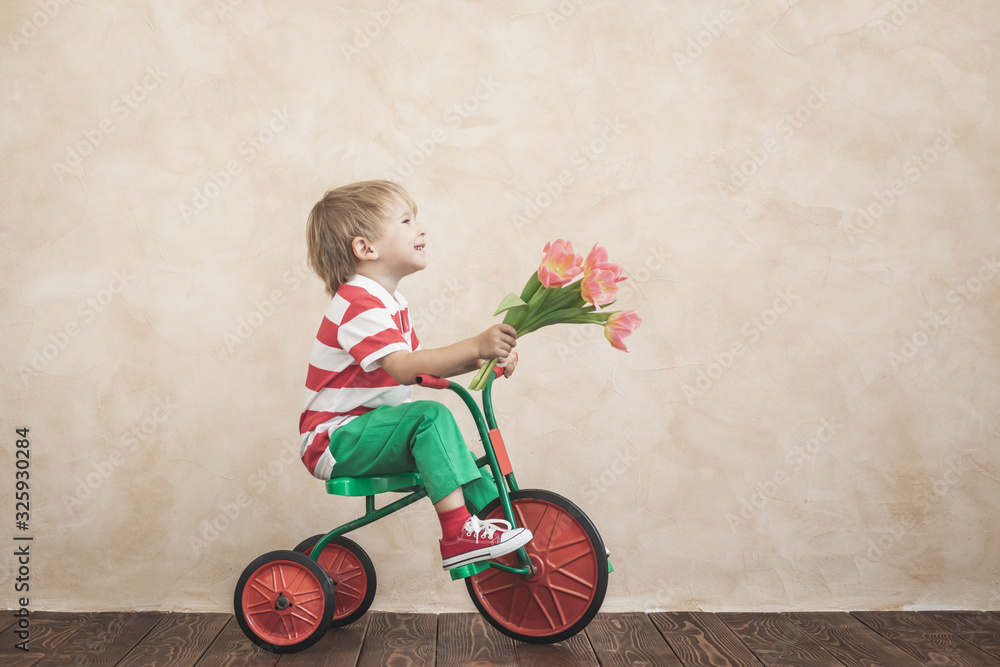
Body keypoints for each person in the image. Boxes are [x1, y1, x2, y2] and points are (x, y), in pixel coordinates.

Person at [299, 180, 530, 571]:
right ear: (365, 248)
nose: (420, 229)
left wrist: (483, 360)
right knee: (429, 416)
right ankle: (459, 533)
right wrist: (475, 345)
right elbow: (404, 368)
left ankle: (527, 537)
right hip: (335, 440)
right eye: (406, 221)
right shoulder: (356, 302)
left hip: (374, 434)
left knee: (462, 464)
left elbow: (421, 365)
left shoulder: (391, 304)